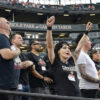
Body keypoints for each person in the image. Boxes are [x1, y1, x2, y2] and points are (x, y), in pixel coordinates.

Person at [46, 16, 88, 96]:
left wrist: (86, 32)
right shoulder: (55, 62)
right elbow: (50, 46)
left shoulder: (71, 61)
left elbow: (79, 47)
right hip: (64, 96)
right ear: (58, 51)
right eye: (64, 48)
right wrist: (49, 28)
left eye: (68, 48)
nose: (68, 49)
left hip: (78, 96)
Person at [75, 24, 100, 98]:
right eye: (88, 40)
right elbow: (83, 74)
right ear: (83, 42)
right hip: (86, 90)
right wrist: (98, 81)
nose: (90, 42)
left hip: (91, 89)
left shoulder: (85, 55)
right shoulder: (81, 55)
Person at [0, 17, 21, 100]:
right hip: (5, 86)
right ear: (1, 25)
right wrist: (18, 51)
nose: (9, 24)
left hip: (12, 85)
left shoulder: (7, 40)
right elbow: (7, 55)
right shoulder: (1, 37)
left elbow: (15, 63)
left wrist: (22, 64)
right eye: (7, 22)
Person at [10, 33, 34, 100]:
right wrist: (29, 63)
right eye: (19, 38)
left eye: (22, 38)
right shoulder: (11, 50)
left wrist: (29, 63)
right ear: (13, 40)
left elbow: (32, 67)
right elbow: (19, 65)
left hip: (26, 83)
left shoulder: (23, 54)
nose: (22, 39)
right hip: (17, 84)